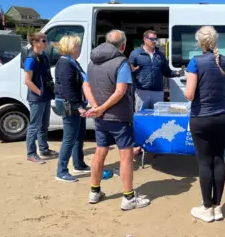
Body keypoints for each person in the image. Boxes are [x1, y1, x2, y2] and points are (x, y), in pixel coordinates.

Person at [83, 29, 150, 210]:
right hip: (119, 116)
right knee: (126, 155)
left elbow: (86, 85)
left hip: (100, 117)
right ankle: (128, 198)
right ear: (123, 45)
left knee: (100, 152)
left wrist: (96, 107)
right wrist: (102, 108)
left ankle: (94, 192)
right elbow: (120, 91)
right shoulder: (121, 62)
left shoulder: (92, 61)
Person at [184, 26, 225, 222]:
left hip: (201, 117)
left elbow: (189, 94)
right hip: (222, 116)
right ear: (216, 40)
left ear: (199, 42)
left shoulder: (195, 62)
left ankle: (207, 208)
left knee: (205, 162)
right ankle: (217, 207)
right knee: (218, 159)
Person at [129, 30, 181, 155]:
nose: (154, 41)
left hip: (157, 91)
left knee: (157, 118)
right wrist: (132, 70)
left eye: (155, 39)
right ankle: (138, 145)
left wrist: (177, 73)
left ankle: (155, 145)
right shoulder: (136, 54)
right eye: (152, 39)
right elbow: (128, 71)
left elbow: (166, 72)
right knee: (140, 119)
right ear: (145, 39)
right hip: (142, 91)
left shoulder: (160, 55)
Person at [53, 35, 91, 182]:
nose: (79, 48)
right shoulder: (65, 63)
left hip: (75, 103)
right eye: (77, 46)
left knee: (79, 135)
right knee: (69, 138)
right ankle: (61, 171)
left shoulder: (72, 62)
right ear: (70, 47)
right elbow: (67, 88)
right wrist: (78, 106)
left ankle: (79, 164)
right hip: (70, 104)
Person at [24, 32, 58, 164]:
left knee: (44, 125)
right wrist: (39, 92)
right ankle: (31, 154)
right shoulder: (30, 59)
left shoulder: (42, 56)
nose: (47, 43)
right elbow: (27, 81)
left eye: (46, 40)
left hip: (45, 96)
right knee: (34, 126)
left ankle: (44, 149)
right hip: (37, 98)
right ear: (35, 43)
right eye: (44, 41)